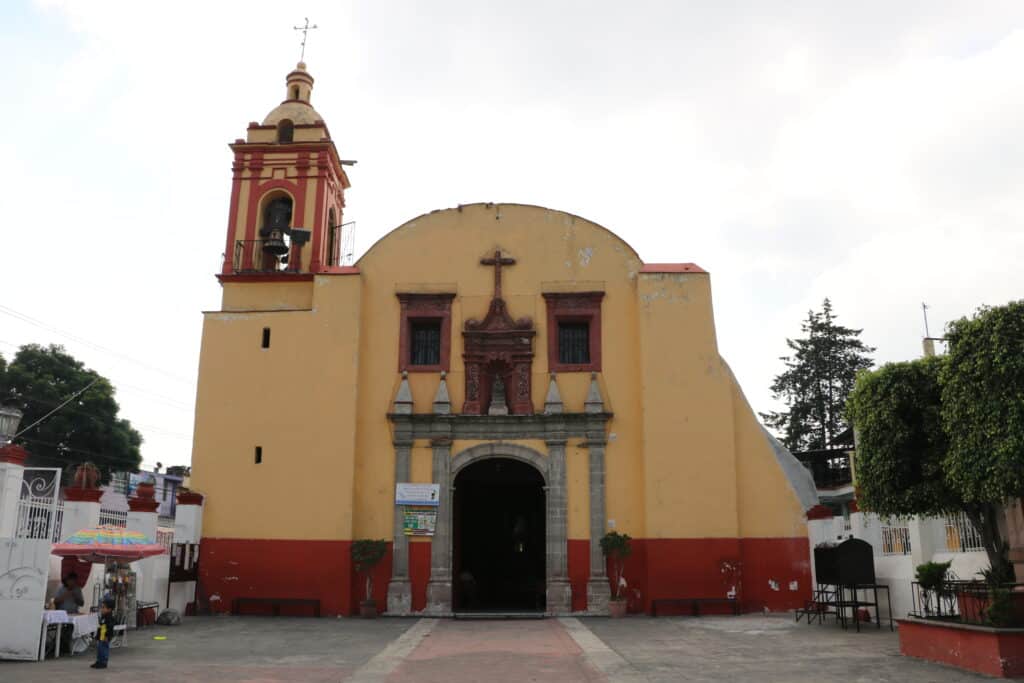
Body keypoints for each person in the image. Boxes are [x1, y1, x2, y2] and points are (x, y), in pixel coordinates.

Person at [91, 597, 116, 670]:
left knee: (104, 648)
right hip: (101, 635)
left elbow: (109, 627)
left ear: (109, 609)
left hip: (105, 636)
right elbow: (101, 626)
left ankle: (103, 662)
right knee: (99, 648)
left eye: (103, 607)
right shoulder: (103, 616)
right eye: (101, 607)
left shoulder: (109, 618)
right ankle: (99, 661)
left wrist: (107, 636)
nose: (101, 609)